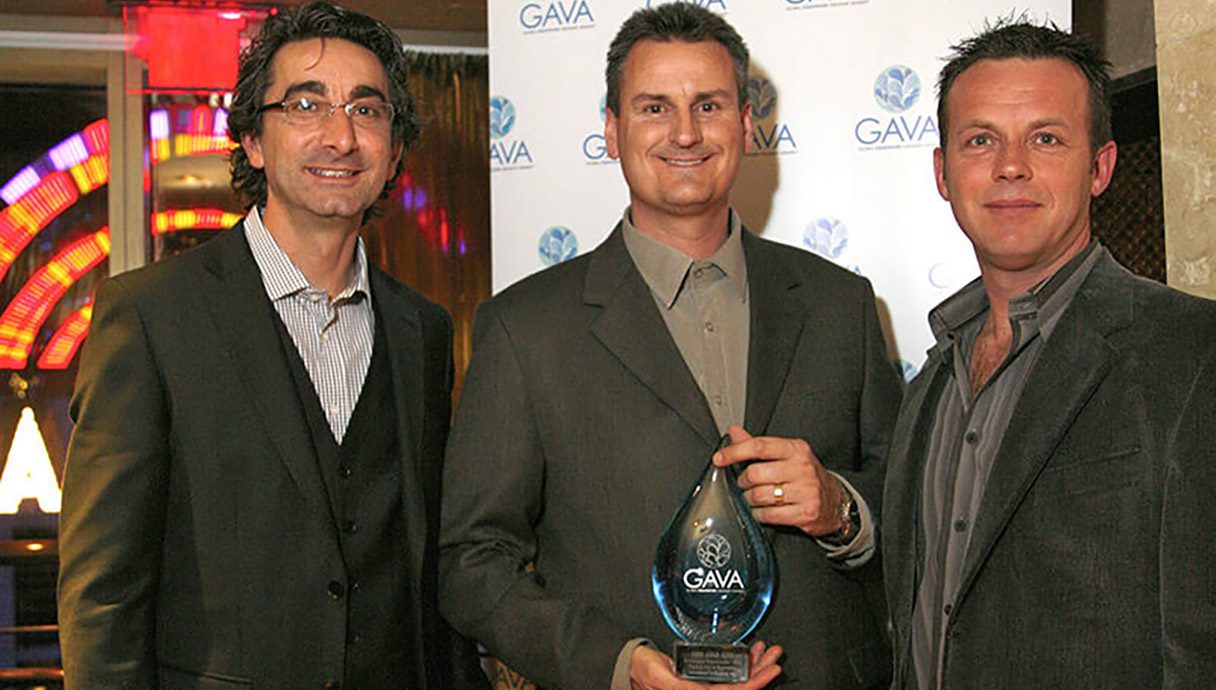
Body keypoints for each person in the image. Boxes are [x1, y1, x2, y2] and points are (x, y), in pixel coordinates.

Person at [439, 4, 902, 689]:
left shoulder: (842, 304)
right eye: (654, 107)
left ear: (747, 124)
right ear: (611, 130)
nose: (685, 132)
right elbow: (472, 562)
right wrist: (617, 665)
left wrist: (841, 509)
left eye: (709, 105)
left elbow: (921, 506)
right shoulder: (523, 328)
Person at [56, 3, 486, 688]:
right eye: (307, 105)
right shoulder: (150, 316)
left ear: (395, 149)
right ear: (254, 139)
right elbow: (102, 594)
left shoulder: (423, 331)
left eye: (367, 111)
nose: (340, 137)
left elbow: (421, 567)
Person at [881, 21, 1216, 689]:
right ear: (943, 173)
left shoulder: (1193, 356)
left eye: (1046, 138)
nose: (1011, 166)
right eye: (981, 140)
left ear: (1101, 167)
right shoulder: (932, 380)